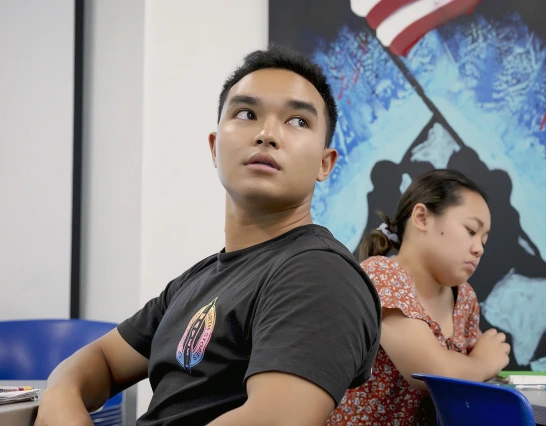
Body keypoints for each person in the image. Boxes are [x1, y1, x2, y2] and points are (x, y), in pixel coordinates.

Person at [34, 44, 381, 426]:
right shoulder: (198, 280)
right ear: (215, 148)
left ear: (324, 163)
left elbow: (274, 419)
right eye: (247, 114)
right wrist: (62, 397)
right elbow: (100, 359)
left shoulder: (318, 273)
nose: (267, 134)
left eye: (297, 121)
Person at [327, 169, 510, 426]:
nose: (479, 248)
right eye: (471, 230)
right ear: (422, 217)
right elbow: (432, 374)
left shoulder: (465, 298)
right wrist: (483, 361)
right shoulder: (382, 275)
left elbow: (469, 388)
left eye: (484, 240)